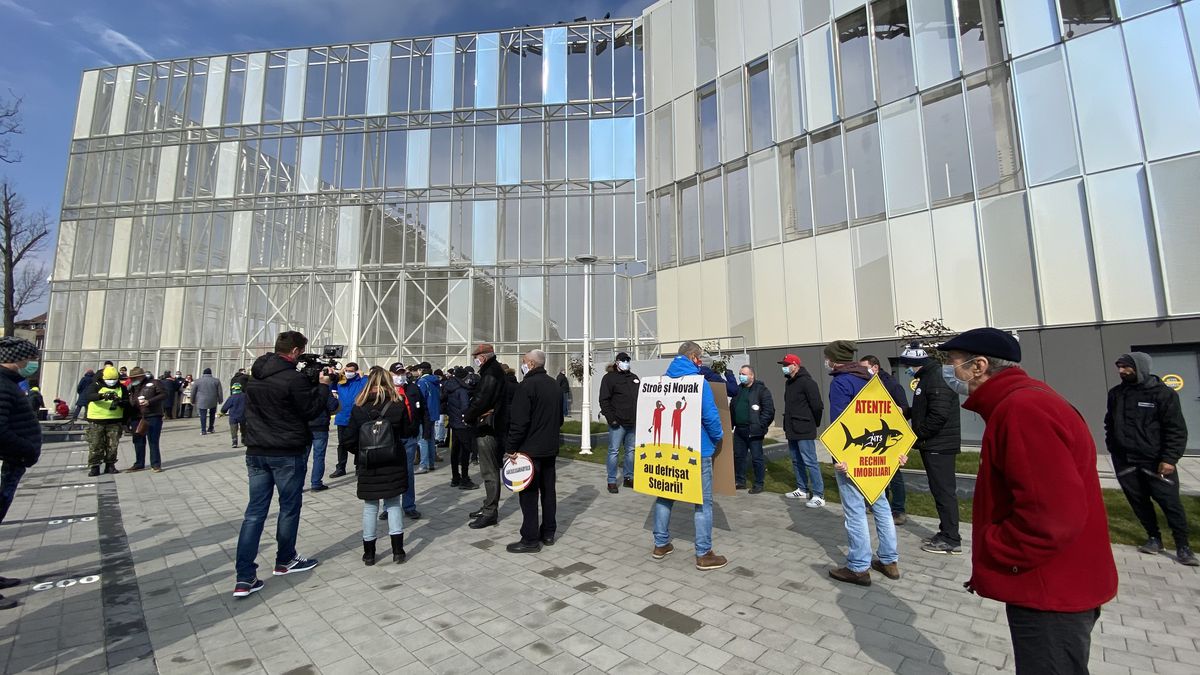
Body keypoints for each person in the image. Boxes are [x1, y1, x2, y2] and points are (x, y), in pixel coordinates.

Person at [939, 328, 1118, 672]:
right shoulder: (1023, 401)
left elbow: (1051, 518)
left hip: (1049, 589)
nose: (949, 371)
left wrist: (996, 547)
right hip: (1054, 582)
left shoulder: (1022, 410)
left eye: (952, 362)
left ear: (979, 366)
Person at [232, 331, 330, 598]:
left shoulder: (254, 377)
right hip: (286, 451)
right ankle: (285, 559)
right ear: (295, 351)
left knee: (254, 513)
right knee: (288, 507)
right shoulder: (292, 379)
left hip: (256, 451)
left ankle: (244, 577)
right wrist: (322, 386)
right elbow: (311, 410)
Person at [825, 340, 905, 587]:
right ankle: (889, 561)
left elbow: (840, 422)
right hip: (876, 457)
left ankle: (858, 567)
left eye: (828, 358)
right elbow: (888, 414)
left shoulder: (841, 382)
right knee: (881, 505)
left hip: (853, 457)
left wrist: (840, 457)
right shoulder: (872, 379)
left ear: (834, 360)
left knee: (855, 510)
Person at [1105, 352, 1196, 566]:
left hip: (1155, 461)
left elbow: (1176, 429)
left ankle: (1183, 546)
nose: (1121, 371)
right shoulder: (1116, 394)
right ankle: (1154, 538)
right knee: (1139, 502)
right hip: (1126, 461)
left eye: (1125, 367)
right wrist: (1113, 446)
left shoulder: (1163, 394)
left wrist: (1169, 459)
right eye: (1119, 367)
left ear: (1140, 367)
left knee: (1170, 503)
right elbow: (1109, 422)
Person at [651, 341, 728, 571]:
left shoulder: (661, 382)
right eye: (699, 357)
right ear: (693, 357)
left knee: (665, 494)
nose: (700, 361)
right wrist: (718, 437)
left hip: (669, 451)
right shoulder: (698, 383)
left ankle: (660, 544)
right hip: (697, 449)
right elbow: (710, 417)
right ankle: (704, 553)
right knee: (702, 502)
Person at [341, 366, 411, 566]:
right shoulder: (397, 404)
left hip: (368, 463)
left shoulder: (359, 406)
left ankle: (369, 553)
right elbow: (407, 431)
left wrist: (362, 452)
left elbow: (348, 439)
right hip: (393, 461)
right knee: (393, 503)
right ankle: (398, 550)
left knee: (370, 506)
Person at [897, 344, 963, 555]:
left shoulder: (936, 378)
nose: (906, 370)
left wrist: (916, 435)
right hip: (934, 444)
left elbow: (938, 415)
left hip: (939, 445)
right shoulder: (928, 377)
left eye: (907, 366)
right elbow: (925, 408)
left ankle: (951, 539)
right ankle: (945, 532)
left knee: (944, 492)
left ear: (915, 364)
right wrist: (905, 411)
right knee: (939, 490)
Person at [504, 350, 563, 553]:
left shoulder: (527, 386)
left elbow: (519, 422)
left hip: (529, 450)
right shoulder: (554, 385)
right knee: (548, 492)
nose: (522, 365)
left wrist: (511, 447)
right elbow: (559, 419)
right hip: (549, 448)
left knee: (528, 495)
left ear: (530, 363)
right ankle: (548, 532)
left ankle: (529, 539)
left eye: (524, 362)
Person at [0, 337, 42, 609]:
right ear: (17, 359)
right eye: (29, 358)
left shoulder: (9, 383)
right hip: (8, 460)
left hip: (12, 461)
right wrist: (26, 449)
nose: (32, 364)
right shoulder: (2, 386)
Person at [860, 355, 911, 525]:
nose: (862, 371)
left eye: (865, 367)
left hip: (890, 437)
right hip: (874, 435)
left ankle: (898, 510)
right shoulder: (867, 384)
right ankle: (878, 504)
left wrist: (896, 411)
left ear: (875, 368)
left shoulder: (891, 385)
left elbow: (905, 409)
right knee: (877, 472)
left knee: (894, 474)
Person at [465, 343, 510, 529]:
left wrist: (468, 415)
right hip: (492, 425)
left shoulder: (490, 373)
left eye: (476, 357)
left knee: (489, 470)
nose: (475, 360)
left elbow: (482, 400)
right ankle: (487, 506)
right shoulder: (493, 371)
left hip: (488, 427)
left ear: (483, 357)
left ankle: (490, 511)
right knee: (489, 469)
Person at [778, 354, 825, 507]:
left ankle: (818, 495)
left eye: (786, 364)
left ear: (795, 365)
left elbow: (817, 406)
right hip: (792, 428)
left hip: (804, 428)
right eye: (783, 365)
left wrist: (813, 423)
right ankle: (802, 488)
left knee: (810, 461)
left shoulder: (807, 382)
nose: (784, 367)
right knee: (796, 460)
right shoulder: (789, 383)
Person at [599, 352, 639, 493]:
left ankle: (629, 477)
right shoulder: (609, 378)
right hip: (617, 423)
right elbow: (604, 400)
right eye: (623, 360)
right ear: (617, 362)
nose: (626, 363)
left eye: (628, 360)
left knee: (630, 451)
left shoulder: (634, 378)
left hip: (632, 422)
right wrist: (612, 419)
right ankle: (611, 480)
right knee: (614, 451)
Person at [731, 365, 775, 494]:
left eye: (744, 374)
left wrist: (760, 424)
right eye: (740, 374)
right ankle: (740, 481)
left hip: (754, 430)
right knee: (739, 456)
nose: (741, 376)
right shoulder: (738, 389)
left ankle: (759, 483)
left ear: (752, 376)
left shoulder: (761, 390)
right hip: (739, 429)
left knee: (756, 457)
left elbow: (769, 410)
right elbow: (733, 406)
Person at [389, 363, 424, 520]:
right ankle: (389, 506)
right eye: (397, 373)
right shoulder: (386, 390)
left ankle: (409, 505)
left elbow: (422, 409)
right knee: (391, 472)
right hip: (390, 437)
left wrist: (424, 428)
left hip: (409, 436)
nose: (400, 376)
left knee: (408, 472)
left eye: (402, 373)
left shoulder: (413, 388)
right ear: (390, 374)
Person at [84, 366, 129, 476]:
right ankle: (95, 466)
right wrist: (103, 396)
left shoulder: (121, 388)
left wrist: (120, 401)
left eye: (114, 379)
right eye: (109, 379)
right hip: (96, 420)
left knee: (112, 445)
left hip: (114, 420)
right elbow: (88, 396)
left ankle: (110, 465)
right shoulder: (96, 385)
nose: (112, 381)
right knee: (96, 444)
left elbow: (127, 402)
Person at [443, 367, 478, 490]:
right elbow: (465, 407)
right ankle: (465, 478)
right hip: (463, 424)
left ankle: (455, 477)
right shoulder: (462, 390)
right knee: (465, 451)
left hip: (454, 422)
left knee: (455, 451)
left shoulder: (450, 387)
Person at [330, 362, 367, 478]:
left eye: (351, 371)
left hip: (357, 417)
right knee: (342, 444)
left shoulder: (360, 381)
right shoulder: (341, 381)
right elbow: (331, 386)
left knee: (358, 443)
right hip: (342, 417)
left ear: (356, 371)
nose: (348, 373)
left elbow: (368, 385)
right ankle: (341, 467)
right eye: (347, 371)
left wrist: (362, 376)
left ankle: (359, 466)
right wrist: (339, 374)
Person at [127, 367, 167, 472]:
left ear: (142, 376)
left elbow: (163, 394)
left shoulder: (154, 383)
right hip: (136, 416)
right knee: (138, 440)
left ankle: (155, 464)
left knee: (153, 440)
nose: (133, 379)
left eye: (135, 377)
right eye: (132, 378)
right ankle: (139, 463)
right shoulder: (131, 387)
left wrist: (149, 401)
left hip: (152, 415)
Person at [305, 374, 339, 492]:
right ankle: (316, 483)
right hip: (320, 426)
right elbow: (333, 406)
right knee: (319, 456)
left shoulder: (302, 387)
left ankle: (298, 484)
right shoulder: (324, 389)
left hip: (305, 425)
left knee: (303, 457)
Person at [417, 362, 442, 473]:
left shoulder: (422, 382)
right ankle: (431, 463)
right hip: (434, 412)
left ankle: (424, 465)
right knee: (431, 439)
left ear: (421, 370)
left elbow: (421, 398)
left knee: (423, 440)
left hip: (425, 413)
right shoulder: (435, 381)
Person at [192, 368, 223, 435]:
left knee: (203, 415)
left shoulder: (198, 381)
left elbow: (193, 391)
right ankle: (211, 428)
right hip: (213, 399)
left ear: (203, 373)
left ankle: (203, 430)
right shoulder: (216, 381)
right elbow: (220, 392)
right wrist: (220, 400)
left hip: (201, 400)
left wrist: (192, 400)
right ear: (211, 373)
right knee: (212, 414)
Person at [220, 383, 248, 449]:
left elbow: (225, 407)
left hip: (233, 416)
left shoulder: (232, 397)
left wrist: (223, 412)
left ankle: (234, 441)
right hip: (243, 415)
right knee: (244, 428)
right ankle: (244, 439)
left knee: (233, 429)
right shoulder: (245, 396)